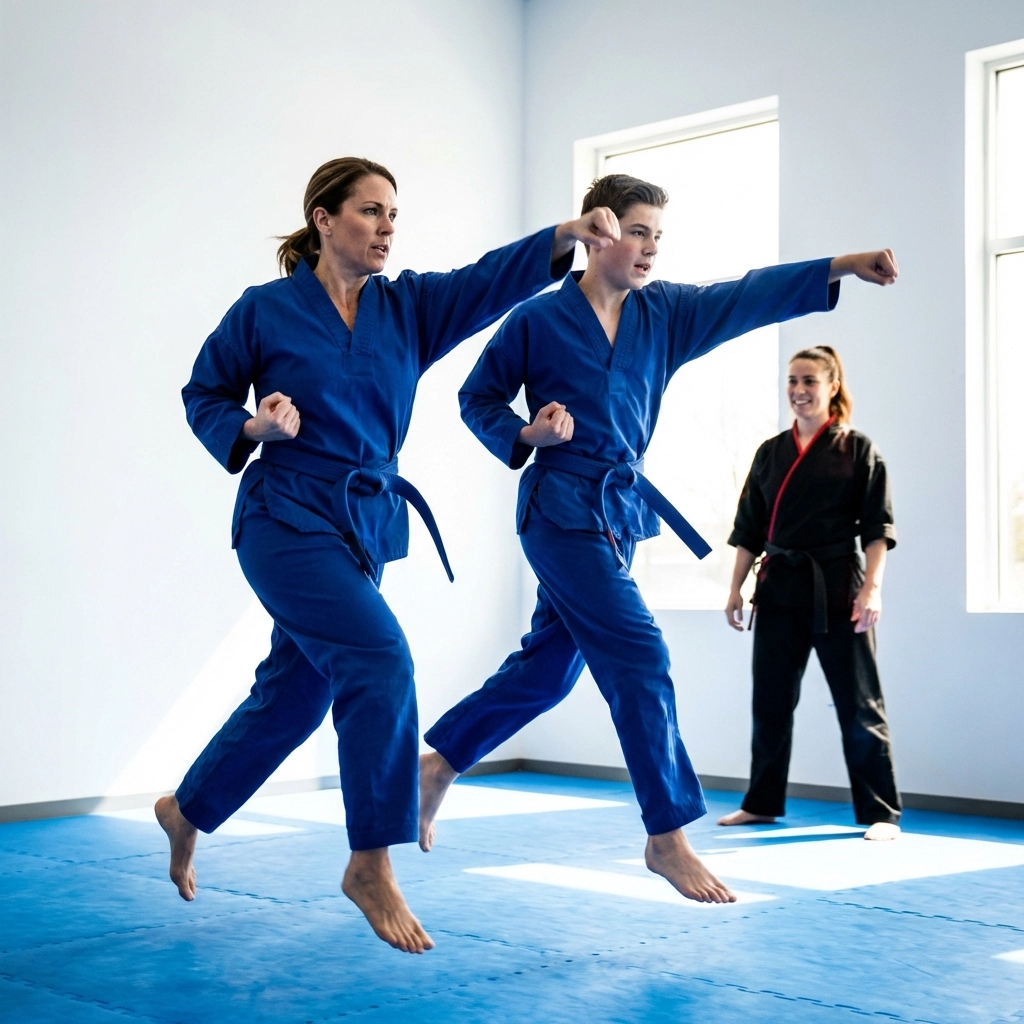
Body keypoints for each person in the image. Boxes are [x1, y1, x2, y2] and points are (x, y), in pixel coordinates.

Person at [154, 157, 620, 954]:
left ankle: (187, 807)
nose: (386, 227)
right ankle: (370, 860)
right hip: (282, 517)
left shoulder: (408, 309)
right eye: (371, 212)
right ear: (324, 220)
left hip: (360, 527)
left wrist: (564, 236)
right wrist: (254, 428)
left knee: (295, 696)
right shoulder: (264, 310)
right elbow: (204, 393)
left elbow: (483, 281)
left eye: (394, 215)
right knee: (379, 657)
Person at [418, 173, 899, 905]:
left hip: (618, 518)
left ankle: (438, 763)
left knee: (549, 670)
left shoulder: (664, 314)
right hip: (557, 507)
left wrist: (838, 266)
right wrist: (524, 431)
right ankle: (666, 835)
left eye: (657, 237)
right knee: (641, 649)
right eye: (637, 231)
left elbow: (744, 294)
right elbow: (474, 396)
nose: (648, 249)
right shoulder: (536, 322)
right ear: (599, 231)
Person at [718, 345, 902, 840]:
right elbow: (748, 529)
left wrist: (873, 589)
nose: (799, 391)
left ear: (832, 386)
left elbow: (877, 529)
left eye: (809, 382)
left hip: (839, 588)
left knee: (859, 703)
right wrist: (735, 588)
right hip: (778, 588)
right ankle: (761, 802)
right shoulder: (771, 451)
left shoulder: (858, 449)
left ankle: (881, 813)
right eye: (793, 381)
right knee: (770, 702)